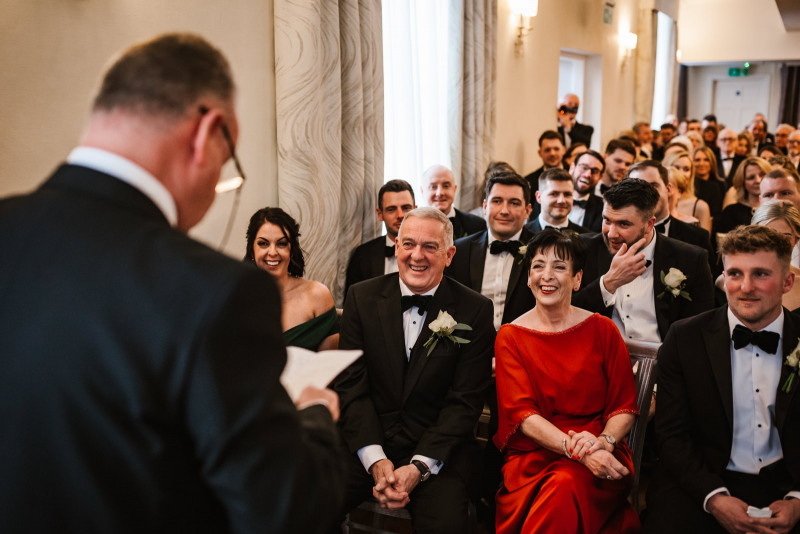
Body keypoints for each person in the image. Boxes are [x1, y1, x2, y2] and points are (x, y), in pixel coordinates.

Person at [0, 33, 343, 533]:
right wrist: (313, 416)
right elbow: (285, 510)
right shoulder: (217, 291)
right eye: (229, 166)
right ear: (208, 133)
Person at [333, 207, 496, 534]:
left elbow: (465, 403)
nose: (416, 256)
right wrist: (376, 460)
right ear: (396, 247)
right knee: (304, 504)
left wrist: (419, 466)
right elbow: (351, 387)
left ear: (449, 255)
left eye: (430, 247)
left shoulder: (474, 310)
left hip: (437, 453)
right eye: (408, 244)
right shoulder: (361, 298)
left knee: (447, 524)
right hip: (367, 442)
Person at [644, 225, 800, 534]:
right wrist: (714, 498)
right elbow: (672, 434)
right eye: (735, 274)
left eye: (761, 274)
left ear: (787, 281)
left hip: (788, 483)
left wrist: (797, 500)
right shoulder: (685, 337)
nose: (745, 287)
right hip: (703, 480)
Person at [494, 229, 640, 533]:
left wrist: (603, 443)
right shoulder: (510, 336)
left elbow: (623, 407)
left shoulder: (603, 329)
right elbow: (523, 416)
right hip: (534, 457)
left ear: (577, 279)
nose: (546, 275)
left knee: (565, 484)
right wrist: (577, 451)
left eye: (559, 267)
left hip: (603, 449)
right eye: (538, 266)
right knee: (563, 484)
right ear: (528, 277)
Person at [572, 178, 715, 343]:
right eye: (607, 220)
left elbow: (700, 328)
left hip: (663, 362)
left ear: (649, 224)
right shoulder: (584, 249)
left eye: (623, 224)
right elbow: (564, 314)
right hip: (599, 359)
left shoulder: (691, 259)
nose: (611, 233)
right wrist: (608, 283)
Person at [446, 171, 536, 329]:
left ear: (527, 210)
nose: (504, 210)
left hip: (524, 345)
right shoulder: (459, 250)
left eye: (514, 203)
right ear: (485, 207)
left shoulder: (541, 251)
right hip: (471, 347)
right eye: (497, 201)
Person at [244, 207, 339, 351]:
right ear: (252, 249)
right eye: (263, 243)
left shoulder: (317, 295)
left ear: (292, 250)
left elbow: (329, 365)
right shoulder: (236, 298)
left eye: (281, 244)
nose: (272, 252)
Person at [626, 160, 714, 267]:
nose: (646, 194)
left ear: (668, 189)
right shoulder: (616, 237)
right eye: (637, 188)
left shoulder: (697, 238)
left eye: (653, 186)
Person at [344, 179, 416, 298]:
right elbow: (353, 304)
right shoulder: (362, 256)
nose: (400, 215)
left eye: (406, 208)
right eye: (391, 209)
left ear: (415, 210)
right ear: (380, 214)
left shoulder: (431, 253)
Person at [751, 201, 800, 311]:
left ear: (796, 240)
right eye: (766, 236)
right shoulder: (728, 283)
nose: (774, 244)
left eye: (784, 237)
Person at [420, 164, 485, 239]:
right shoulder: (412, 225)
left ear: (454, 189)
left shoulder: (477, 225)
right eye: (433, 187)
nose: (440, 193)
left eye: (446, 186)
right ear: (422, 191)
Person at [714, 157, 769, 235]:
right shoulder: (730, 213)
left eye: (762, 175)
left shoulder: (778, 209)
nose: (758, 180)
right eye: (751, 177)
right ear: (743, 182)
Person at [526, 168, 591, 234]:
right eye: (554, 194)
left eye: (567, 194)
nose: (561, 201)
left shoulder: (585, 237)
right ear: (539, 197)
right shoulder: (521, 235)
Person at [664, 151, 712, 232]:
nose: (681, 173)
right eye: (676, 168)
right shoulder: (656, 203)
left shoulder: (701, 207)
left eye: (686, 169)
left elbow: (703, 242)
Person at [525, 130, 566, 220]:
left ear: (563, 150)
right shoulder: (529, 181)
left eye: (556, 149)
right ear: (540, 153)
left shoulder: (574, 177)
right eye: (547, 150)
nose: (552, 153)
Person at [568, 149, 606, 233]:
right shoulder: (548, 197)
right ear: (572, 168)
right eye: (584, 167)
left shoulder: (604, 209)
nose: (588, 175)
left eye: (595, 171)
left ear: (600, 177)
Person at [693, 145, 726, 218]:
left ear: (712, 162)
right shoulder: (689, 185)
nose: (701, 164)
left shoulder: (721, 185)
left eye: (706, 160)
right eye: (697, 160)